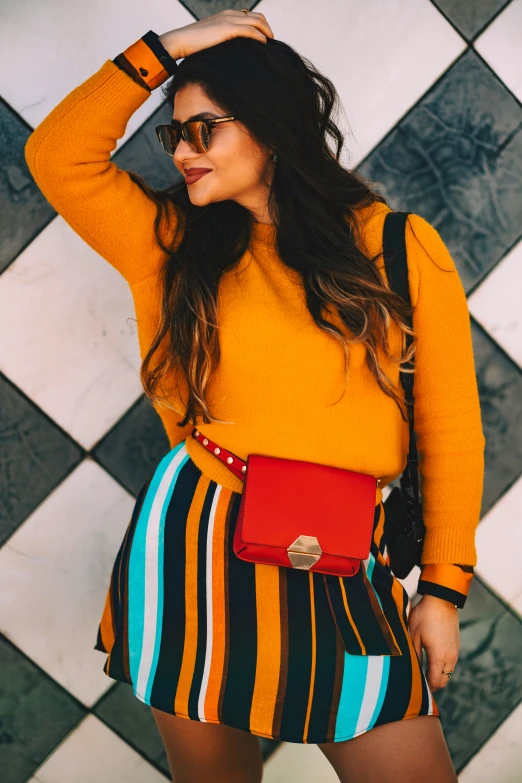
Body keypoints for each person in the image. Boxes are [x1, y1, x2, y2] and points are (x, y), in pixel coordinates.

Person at [25, 9, 485, 783]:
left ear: (271, 128)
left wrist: (442, 590)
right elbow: (58, 154)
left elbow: (453, 429)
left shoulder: (397, 246)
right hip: (197, 549)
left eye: (204, 128)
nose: (182, 153)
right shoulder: (168, 244)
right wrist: (170, 50)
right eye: (175, 134)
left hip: (345, 560)